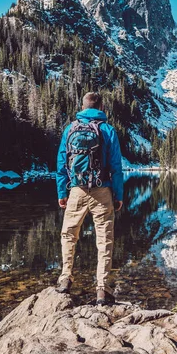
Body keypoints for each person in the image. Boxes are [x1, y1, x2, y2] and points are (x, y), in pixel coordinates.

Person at [55, 92, 124, 305]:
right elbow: (116, 167)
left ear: (82, 106)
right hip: (102, 191)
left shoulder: (70, 129)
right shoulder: (107, 130)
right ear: (101, 107)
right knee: (104, 240)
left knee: (69, 234)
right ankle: (102, 288)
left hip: (76, 189)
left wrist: (61, 192)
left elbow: (61, 163)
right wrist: (118, 195)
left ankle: (66, 278)